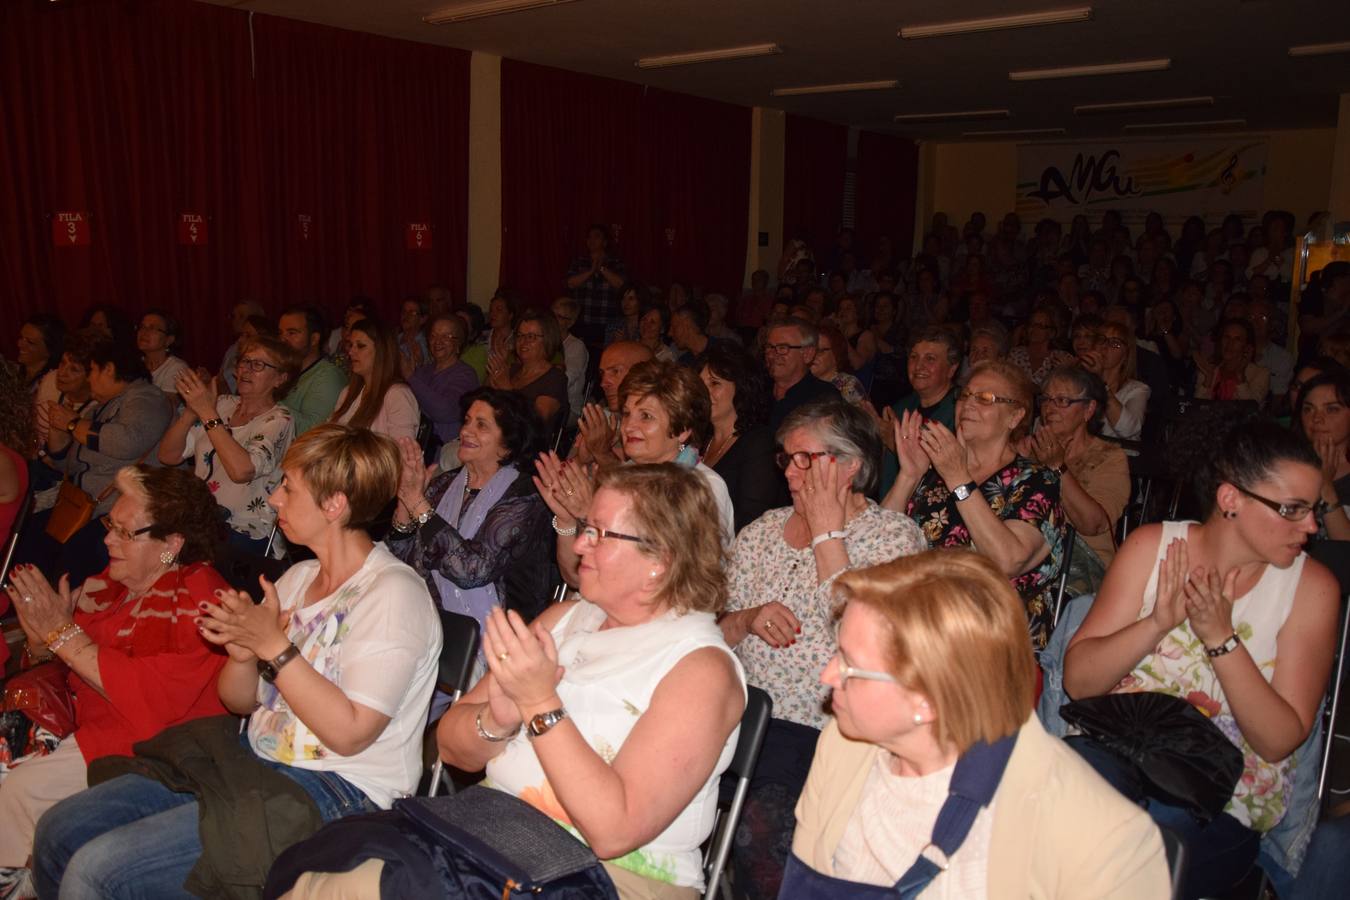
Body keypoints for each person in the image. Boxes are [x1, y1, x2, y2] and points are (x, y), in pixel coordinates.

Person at [270, 463, 744, 900]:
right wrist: (496, 721)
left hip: (609, 878)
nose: (579, 545)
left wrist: (539, 703)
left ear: (660, 557)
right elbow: (452, 748)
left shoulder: (700, 669)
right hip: (492, 835)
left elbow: (614, 830)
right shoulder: (566, 618)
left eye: (599, 534)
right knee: (320, 871)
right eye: (585, 529)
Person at [33, 425, 442, 899]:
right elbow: (239, 702)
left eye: (289, 487)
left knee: (99, 871)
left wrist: (275, 648)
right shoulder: (299, 577)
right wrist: (244, 655)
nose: (273, 498)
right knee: (60, 829)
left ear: (334, 505)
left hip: (340, 792)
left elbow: (350, 733)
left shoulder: (393, 595)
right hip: (252, 761)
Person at [1063, 412, 1339, 899]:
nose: (1312, 526)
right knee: (1069, 809)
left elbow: (1277, 741)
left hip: (1224, 793)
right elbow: (1079, 684)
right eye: (1293, 509)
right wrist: (1156, 624)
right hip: (1122, 747)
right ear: (1231, 499)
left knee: (1147, 850)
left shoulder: (1311, 588)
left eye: (1314, 509)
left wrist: (1220, 638)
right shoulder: (1154, 548)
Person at [786, 550, 1169, 897]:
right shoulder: (844, 748)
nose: (827, 675)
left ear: (928, 700)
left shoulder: (1098, 841)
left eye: (850, 665)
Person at [717, 399, 927, 899]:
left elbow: (866, 641)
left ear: (850, 464)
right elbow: (713, 633)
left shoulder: (892, 537)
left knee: (760, 831)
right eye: (786, 458)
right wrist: (745, 619)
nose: (791, 471)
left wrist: (828, 532)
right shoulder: (763, 531)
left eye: (805, 458)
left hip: (824, 732)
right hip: (737, 716)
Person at [0, 466, 229, 896]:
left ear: (171, 545)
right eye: (111, 525)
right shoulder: (111, 586)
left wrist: (62, 637)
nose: (107, 540)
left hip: (148, 747)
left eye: (125, 532)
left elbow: (153, 697)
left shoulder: (201, 598)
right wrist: (42, 646)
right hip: (87, 726)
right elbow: (74, 665)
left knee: (18, 791)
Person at [883, 360, 1066, 651]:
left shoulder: (1036, 480)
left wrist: (958, 478)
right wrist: (909, 475)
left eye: (984, 399)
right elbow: (877, 544)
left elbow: (1007, 560)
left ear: (1015, 416)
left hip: (992, 635)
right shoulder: (936, 472)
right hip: (918, 621)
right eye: (965, 395)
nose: (967, 404)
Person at [539, 360, 735, 587]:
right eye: (627, 414)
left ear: (682, 430)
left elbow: (681, 584)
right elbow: (575, 577)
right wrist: (566, 519)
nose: (629, 426)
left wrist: (587, 516)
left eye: (646, 416)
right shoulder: (621, 477)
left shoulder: (704, 487)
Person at [388, 388, 553, 634]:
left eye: (482, 425)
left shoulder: (525, 496)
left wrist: (417, 503)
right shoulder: (444, 485)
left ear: (508, 444)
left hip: (498, 636)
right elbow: (399, 557)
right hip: (428, 620)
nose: (465, 431)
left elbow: (472, 569)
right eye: (466, 421)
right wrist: (405, 499)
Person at [18, 335, 172, 585]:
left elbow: (128, 441)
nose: (89, 380)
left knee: (75, 552)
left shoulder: (145, 398)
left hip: (117, 508)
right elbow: (67, 464)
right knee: (31, 535)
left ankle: (68, 615)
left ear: (109, 369)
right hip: (83, 504)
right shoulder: (100, 406)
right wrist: (58, 431)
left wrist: (72, 423)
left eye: (91, 371)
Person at [158, 334, 298, 554]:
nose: (247, 369)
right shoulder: (222, 405)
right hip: (199, 520)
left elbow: (242, 472)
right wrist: (191, 413)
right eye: (244, 361)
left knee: (182, 557)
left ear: (280, 379)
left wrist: (206, 412)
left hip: (244, 529)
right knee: (153, 545)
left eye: (258, 364)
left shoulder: (279, 419)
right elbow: (168, 455)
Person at [1024, 366, 1130, 574]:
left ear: (1089, 409)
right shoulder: (1032, 450)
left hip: (1084, 569)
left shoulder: (1110, 458)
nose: (1049, 409)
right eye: (1045, 399)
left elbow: (1093, 525)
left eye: (1062, 401)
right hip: (1031, 556)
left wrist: (1058, 468)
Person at [699, 342, 780, 534]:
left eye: (715, 383)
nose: (703, 392)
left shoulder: (759, 442)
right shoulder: (701, 439)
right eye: (700, 384)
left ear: (742, 388)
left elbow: (753, 521)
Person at [877, 327, 963, 497]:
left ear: (952, 369)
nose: (918, 366)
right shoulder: (901, 407)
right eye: (914, 357)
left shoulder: (961, 412)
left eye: (930, 359)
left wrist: (896, 444)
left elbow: (949, 477)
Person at [330, 317, 420, 442]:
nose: (351, 352)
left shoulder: (397, 395)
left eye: (360, 346)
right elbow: (329, 434)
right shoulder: (347, 392)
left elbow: (401, 452)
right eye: (351, 345)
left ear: (381, 351)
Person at [406, 314, 478, 467]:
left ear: (458, 344)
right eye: (433, 336)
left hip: (445, 457)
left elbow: (445, 410)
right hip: (415, 450)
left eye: (446, 336)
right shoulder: (423, 371)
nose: (438, 341)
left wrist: (409, 376)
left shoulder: (465, 374)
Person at [570, 340, 654, 468]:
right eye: (602, 374)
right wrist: (580, 460)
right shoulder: (603, 418)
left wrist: (603, 454)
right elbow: (558, 475)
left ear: (644, 375)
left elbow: (641, 484)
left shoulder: (660, 424)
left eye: (615, 371)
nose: (603, 383)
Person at [486, 308, 569, 435]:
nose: (523, 341)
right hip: (496, 436)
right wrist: (496, 371)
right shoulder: (511, 369)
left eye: (531, 337)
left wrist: (508, 390)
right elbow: (483, 401)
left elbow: (536, 422)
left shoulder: (555, 378)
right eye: (520, 335)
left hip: (527, 446)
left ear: (548, 339)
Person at [277, 306, 347, 437]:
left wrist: (265, 401)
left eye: (292, 333)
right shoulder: (285, 371)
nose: (283, 340)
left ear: (314, 339)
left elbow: (314, 432)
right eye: (280, 333)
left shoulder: (328, 376)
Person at [1296, 371, 1350, 539]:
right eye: (1308, 409)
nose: (1317, 418)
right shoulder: (1288, 463)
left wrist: (1325, 486)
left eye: (1331, 409)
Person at [1079, 320, 1151, 442]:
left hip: (1120, 456)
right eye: (1101, 339)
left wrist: (1101, 381)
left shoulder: (1138, 389)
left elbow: (1129, 430)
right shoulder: (1082, 382)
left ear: (1126, 355)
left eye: (1115, 343)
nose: (1105, 346)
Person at [765, 318, 840, 431]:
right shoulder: (756, 387)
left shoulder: (823, 399)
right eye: (770, 347)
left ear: (807, 354)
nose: (771, 355)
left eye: (782, 348)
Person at [565, 224, 627, 338]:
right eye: (589, 237)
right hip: (581, 322)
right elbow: (570, 283)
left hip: (608, 323)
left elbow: (621, 285)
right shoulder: (579, 262)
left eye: (596, 237)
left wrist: (602, 268)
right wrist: (591, 271)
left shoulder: (616, 263)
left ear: (605, 242)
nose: (592, 240)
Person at [1194, 318, 1271, 404]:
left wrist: (1240, 376)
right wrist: (1208, 379)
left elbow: (1251, 407)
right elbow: (1198, 406)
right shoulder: (1209, 369)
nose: (1230, 343)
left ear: (1247, 347)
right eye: (1227, 337)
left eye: (1237, 339)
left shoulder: (1260, 373)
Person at [1009, 305, 1076, 387]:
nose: (1034, 329)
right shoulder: (1015, 353)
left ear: (1051, 332)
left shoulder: (1061, 357)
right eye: (1032, 324)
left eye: (1040, 326)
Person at [551, 296, 589, 430]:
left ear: (570, 322)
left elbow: (565, 380)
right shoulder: (544, 341)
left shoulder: (576, 347)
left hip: (568, 406)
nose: (553, 319)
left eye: (559, 316)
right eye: (552, 314)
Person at [810, 322, 867, 407]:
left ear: (836, 354)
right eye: (810, 349)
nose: (812, 355)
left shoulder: (848, 384)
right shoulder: (804, 380)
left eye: (820, 351)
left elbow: (862, 418)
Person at [137, 309, 190, 398]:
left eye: (152, 328)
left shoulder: (177, 368)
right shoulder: (133, 364)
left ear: (169, 340)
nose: (144, 332)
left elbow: (166, 407)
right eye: (142, 327)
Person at [217, 301, 266, 393]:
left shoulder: (264, 359)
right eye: (234, 316)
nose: (236, 320)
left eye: (242, 316)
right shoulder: (232, 350)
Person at [395, 297, 429, 376]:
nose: (406, 316)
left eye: (412, 313)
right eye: (404, 311)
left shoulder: (424, 345)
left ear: (422, 319)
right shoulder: (395, 338)